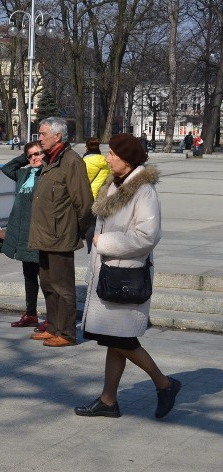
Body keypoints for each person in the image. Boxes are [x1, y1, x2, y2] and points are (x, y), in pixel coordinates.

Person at [75, 133, 181, 419]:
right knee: (115, 339)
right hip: (109, 273)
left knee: (124, 341)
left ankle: (165, 383)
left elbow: (148, 235)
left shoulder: (143, 190)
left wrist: (105, 242)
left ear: (126, 159)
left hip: (125, 277)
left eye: (113, 154)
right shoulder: (114, 185)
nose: (108, 158)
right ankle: (108, 400)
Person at [29, 116, 93, 347]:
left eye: (43, 134)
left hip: (61, 236)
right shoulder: (51, 160)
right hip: (45, 235)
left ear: (58, 136)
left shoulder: (71, 161)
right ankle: (53, 327)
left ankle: (66, 333)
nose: (40, 138)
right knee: (47, 285)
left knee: (63, 288)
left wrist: (77, 231)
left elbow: (84, 203)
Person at [1, 142, 46, 328]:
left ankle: (53, 317)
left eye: (38, 154)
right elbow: (7, 168)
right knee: (29, 276)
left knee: (46, 279)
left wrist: (42, 158)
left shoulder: (48, 174)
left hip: (39, 233)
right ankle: (31, 314)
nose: (34, 158)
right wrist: (24, 156)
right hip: (22, 234)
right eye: (30, 156)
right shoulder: (23, 173)